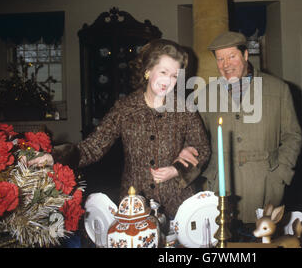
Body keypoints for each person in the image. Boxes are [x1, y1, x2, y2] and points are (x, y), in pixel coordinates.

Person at [30, 39, 210, 219]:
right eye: (163, 72)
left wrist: (176, 169)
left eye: (174, 76)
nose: (168, 81)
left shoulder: (184, 109)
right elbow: (93, 147)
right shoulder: (124, 109)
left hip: (178, 205)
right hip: (135, 202)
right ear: (147, 71)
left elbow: (202, 149)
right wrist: (55, 156)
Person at [196, 31, 302, 224]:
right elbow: (196, 140)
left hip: (266, 186)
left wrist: (281, 173)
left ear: (245, 55)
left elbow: (292, 135)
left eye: (232, 56)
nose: (226, 64)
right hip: (219, 188)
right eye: (220, 59)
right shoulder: (205, 95)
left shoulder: (278, 89)